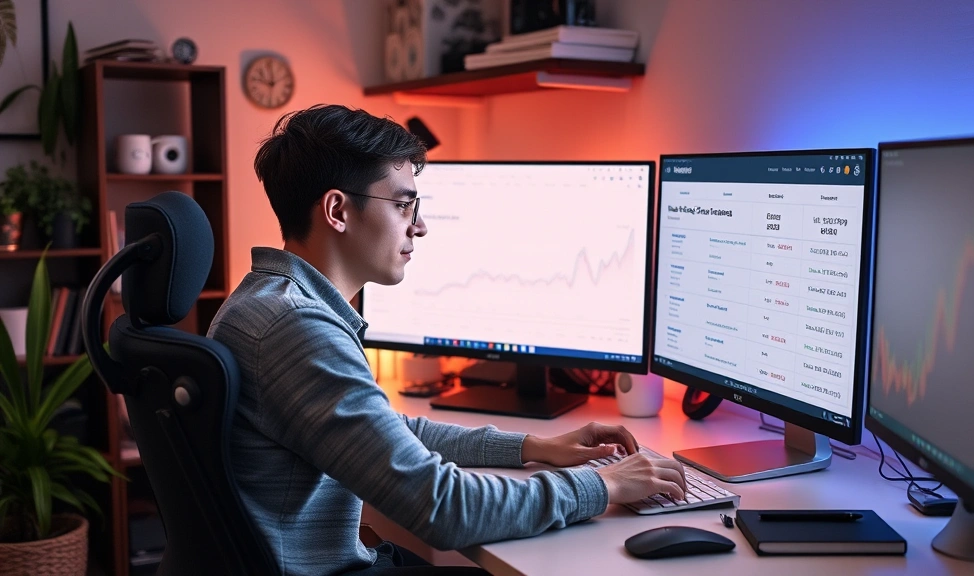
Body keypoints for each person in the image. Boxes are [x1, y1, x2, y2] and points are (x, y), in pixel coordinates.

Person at [208, 104, 688, 575]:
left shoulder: (268, 302)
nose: (419, 225)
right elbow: (442, 508)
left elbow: (387, 433)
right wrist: (601, 485)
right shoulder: (296, 329)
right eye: (402, 205)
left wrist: (532, 447)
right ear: (337, 210)